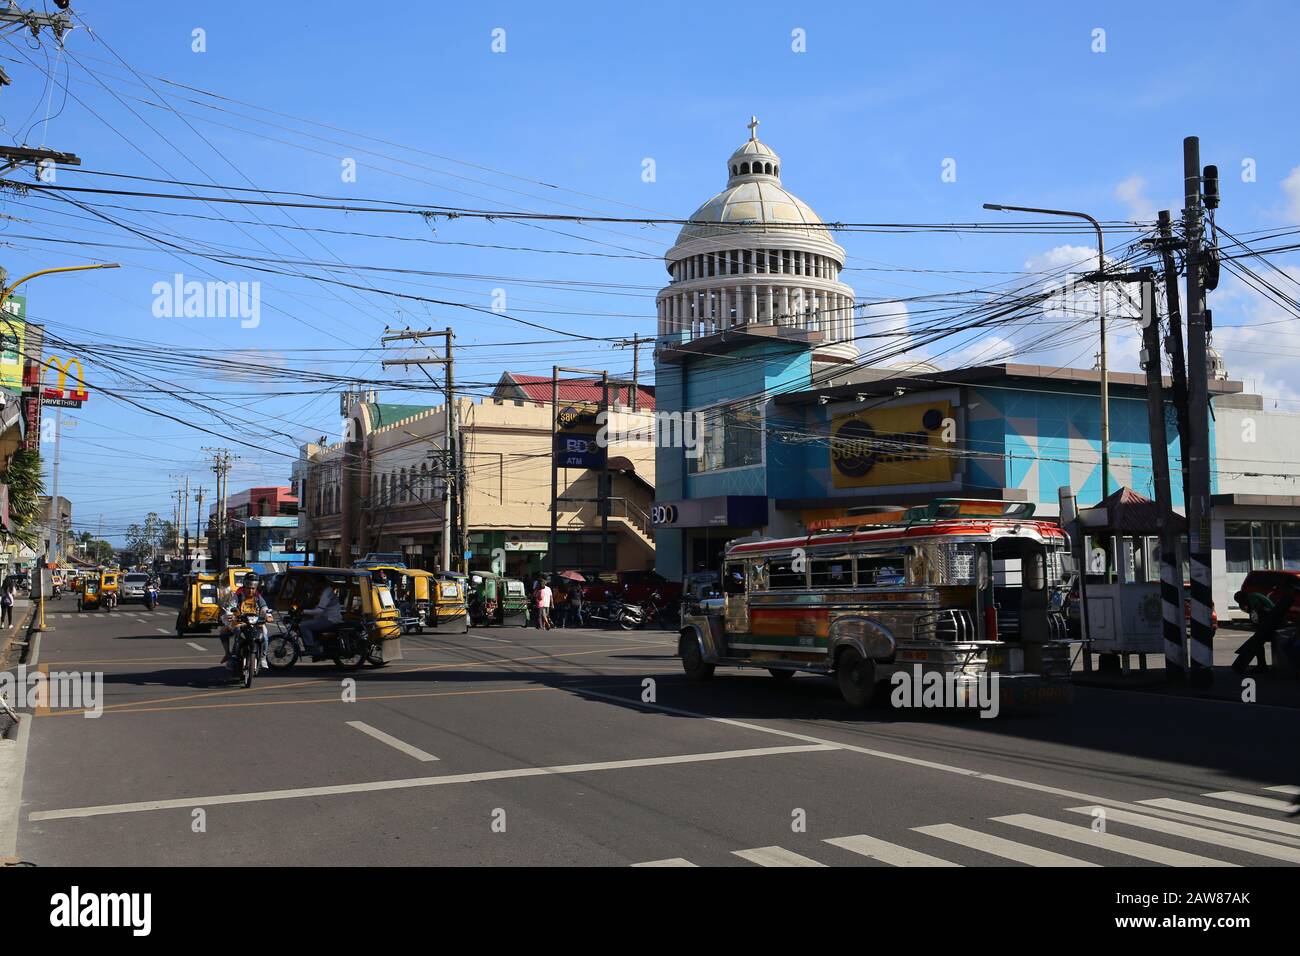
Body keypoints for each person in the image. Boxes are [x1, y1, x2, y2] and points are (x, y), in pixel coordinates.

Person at [1233, 582, 1296, 674]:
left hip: (1274, 622)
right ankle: (1261, 665)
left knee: (1257, 641)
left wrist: (1259, 626)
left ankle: (1262, 666)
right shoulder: (1251, 598)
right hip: (1271, 621)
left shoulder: (1252, 598)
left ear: (1243, 598)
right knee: (1257, 642)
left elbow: (1258, 611)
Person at [224, 573, 271, 670]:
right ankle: (233, 658)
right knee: (238, 635)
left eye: (253, 588)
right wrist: (230, 615)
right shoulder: (238, 596)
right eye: (248, 588)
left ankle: (263, 657)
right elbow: (231, 606)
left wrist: (268, 615)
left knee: (265, 636)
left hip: (256, 622)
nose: (250, 590)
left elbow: (264, 608)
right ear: (244, 586)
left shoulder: (258, 597)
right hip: (240, 621)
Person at [298, 581, 343, 655]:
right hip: (327, 618)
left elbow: (319, 611)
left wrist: (304, 611)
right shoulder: (325, 591)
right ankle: (316, 643)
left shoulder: (326, 593)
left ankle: (311, 648)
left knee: (304, 625)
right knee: (307, 621)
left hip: (330, 620)